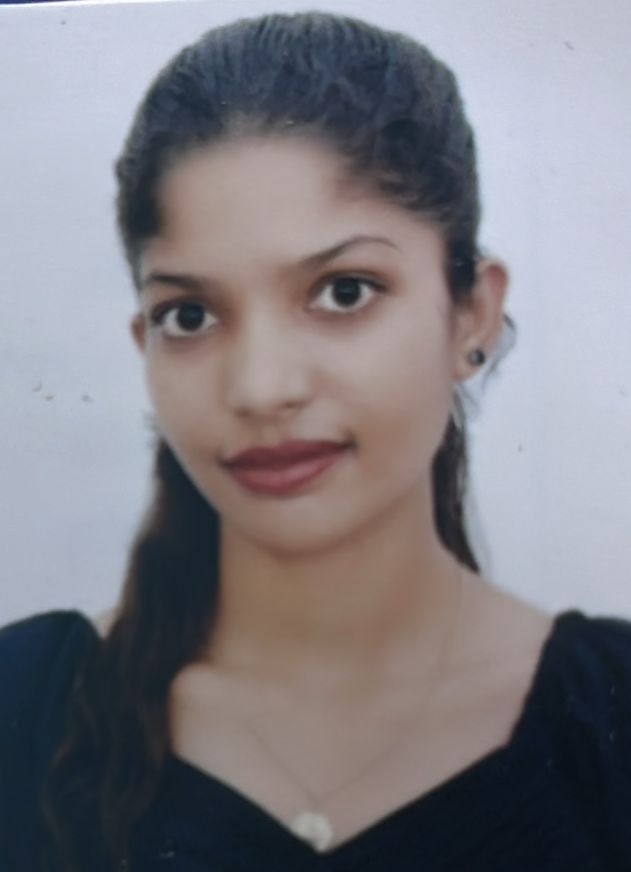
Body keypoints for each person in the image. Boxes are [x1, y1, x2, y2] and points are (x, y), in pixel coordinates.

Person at [1, 10, 630, 872]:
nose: (261, 388)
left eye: (343, 292)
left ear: (471, 313)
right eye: (190, 315)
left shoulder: (611, 718)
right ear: (145, 342)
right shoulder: (21, 707)